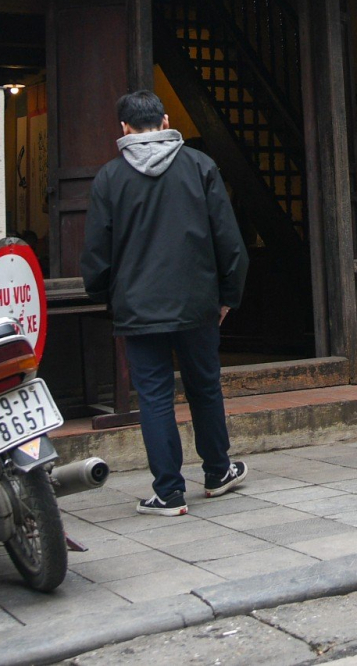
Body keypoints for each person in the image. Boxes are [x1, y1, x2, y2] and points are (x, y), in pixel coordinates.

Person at [81, 89, 249, 515]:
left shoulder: (109, 178)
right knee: (205, 387)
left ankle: (169, 492)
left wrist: (106, 297)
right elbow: (229, 242)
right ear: (166, 119)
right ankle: (217, 471)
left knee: (154, 397)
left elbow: (97, 255)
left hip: (137, 307)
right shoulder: (200, 166)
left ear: (123, 129)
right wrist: (228, 295)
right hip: (198, 303)